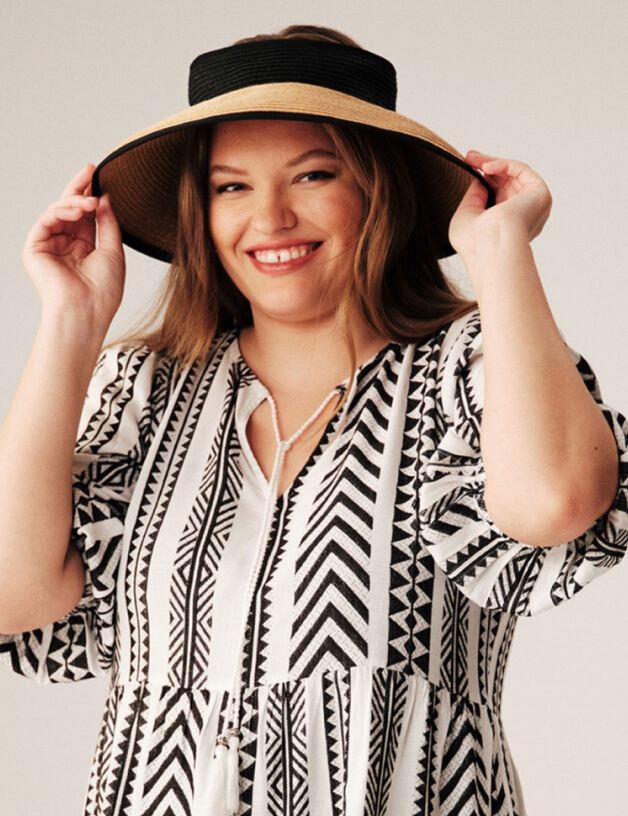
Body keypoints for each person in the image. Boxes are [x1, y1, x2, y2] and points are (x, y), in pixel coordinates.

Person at [0, 23, 626, 816]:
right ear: (201, 211)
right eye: (231, 186)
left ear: (378, 187)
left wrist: (500, 251)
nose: (270, 217)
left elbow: (556, 506)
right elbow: (11, 593)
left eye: (312, 174)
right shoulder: (146, 388)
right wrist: (73, 321)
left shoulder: (469, 368)